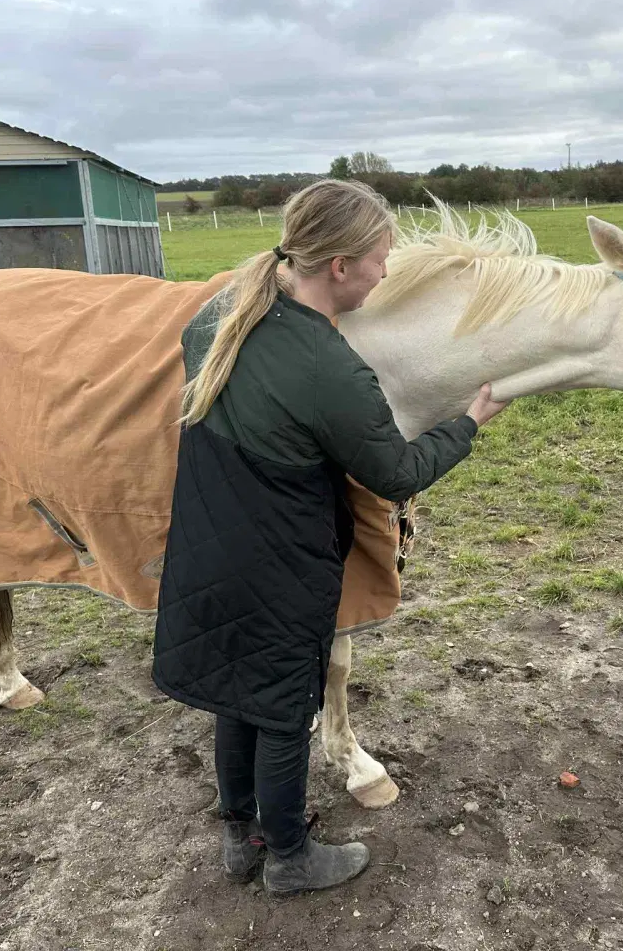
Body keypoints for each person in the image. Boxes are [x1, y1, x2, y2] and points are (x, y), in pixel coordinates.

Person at [152, 179, 508, 895]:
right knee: (285, 709)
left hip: (205, 546)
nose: (386, 271)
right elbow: (395, 471)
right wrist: (468, 424)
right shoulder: (329, 366)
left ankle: (239, 835)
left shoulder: (219, 316)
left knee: (238, 698)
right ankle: (288, 857)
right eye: (381, 258)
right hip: (279, 564)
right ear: (340, 266)